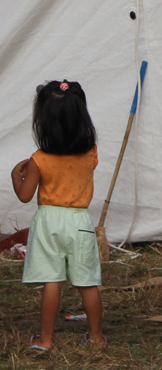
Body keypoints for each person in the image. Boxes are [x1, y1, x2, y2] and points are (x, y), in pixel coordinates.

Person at [11, 80, 105, 351]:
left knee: (52, 281)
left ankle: (46, 340)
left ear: (44, 122)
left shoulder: (39, 159)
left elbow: (25, 195)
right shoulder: (90, 153)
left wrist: (16, 178)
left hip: (49, 221)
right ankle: (96, 338)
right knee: (88, 282)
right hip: (79, 221)